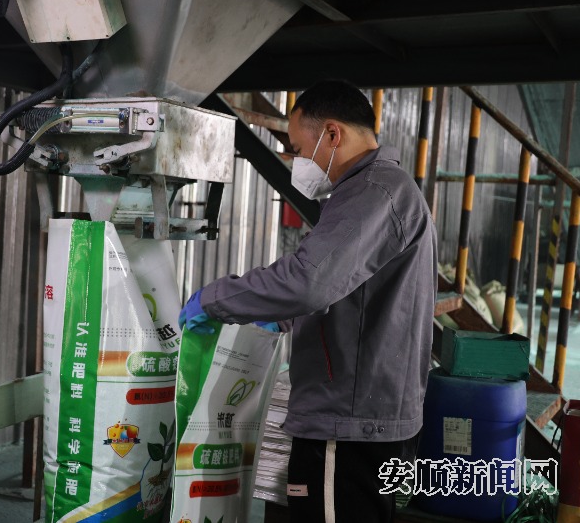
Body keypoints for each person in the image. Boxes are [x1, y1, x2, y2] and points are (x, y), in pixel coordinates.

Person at [178, 80, 437, 522]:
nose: (297, 161)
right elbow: (349, 288)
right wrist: (284, 318)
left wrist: (214, 298)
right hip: (358, 416)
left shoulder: (374, 192)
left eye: (298, 149)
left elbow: (309, 282)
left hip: (348, 425)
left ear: (332, 134)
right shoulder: (372, 191)